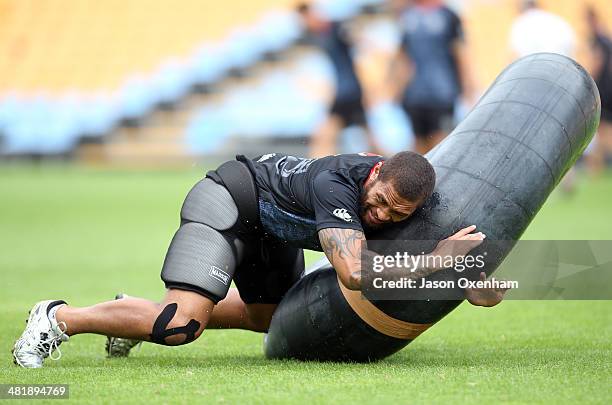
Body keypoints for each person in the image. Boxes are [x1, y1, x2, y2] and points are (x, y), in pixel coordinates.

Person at [12, 151, 504, 368]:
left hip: (270, 230)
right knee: (182, 326)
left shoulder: (402, 201)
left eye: (395, 213)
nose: (378, 215)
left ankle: (127, 314)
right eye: (376, 200)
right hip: (229, 201)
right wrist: (437, 261)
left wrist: (470, 283)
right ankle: (57, 318)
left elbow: (442, 260)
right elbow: (354, 272)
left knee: (266, 317)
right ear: (374, 173)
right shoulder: (338, 182)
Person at [388, 0, 476, 154]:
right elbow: (402, 56)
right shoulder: (408, 16)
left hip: (441, 93)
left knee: (439, 143)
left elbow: (460, 53)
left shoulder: (448, 15)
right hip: (417, 94)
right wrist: (396, 87)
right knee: (422, 145)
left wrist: (468, 87)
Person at [297, 3, 381, 157]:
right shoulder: (317, 35)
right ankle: (317, 170)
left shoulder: (337, 29)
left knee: (368, 138)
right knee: (326, 135)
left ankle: (390, 166)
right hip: (343, 93)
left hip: (351, 92)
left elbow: (359, 45)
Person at [585, 6, 612, 175]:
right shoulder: (606, 38)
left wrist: (588, 81)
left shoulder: (597, 39)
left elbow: (598, 62)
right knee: (604, 129)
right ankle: (597, 167)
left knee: (602, 129)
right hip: (609, 87)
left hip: (602, 88)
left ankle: (596, 167)